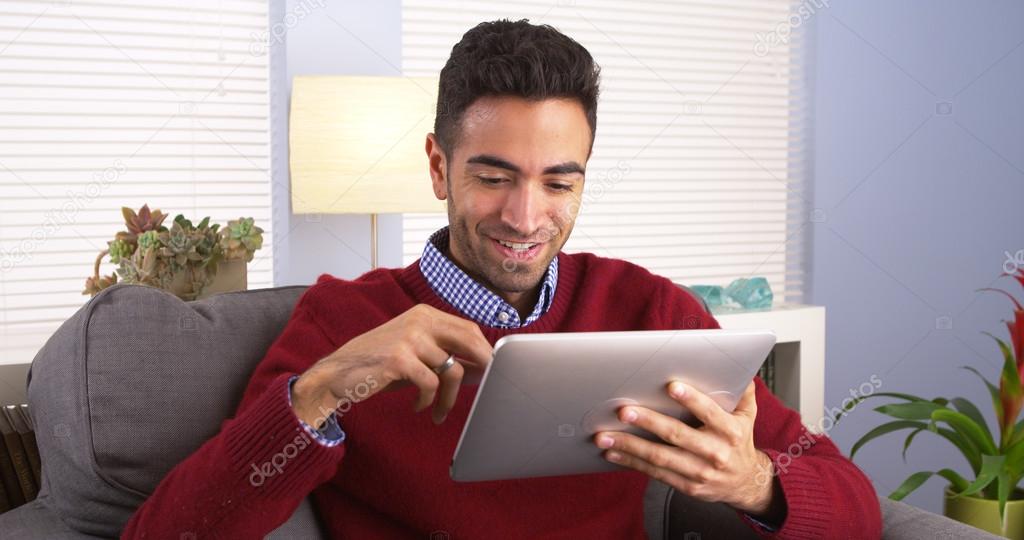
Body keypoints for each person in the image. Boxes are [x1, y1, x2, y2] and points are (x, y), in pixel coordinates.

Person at [123, 19, 881, 539]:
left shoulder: (651, 308)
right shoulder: (342, 320)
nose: (525, 216)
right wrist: (320, 392)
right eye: (493, 176)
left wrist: (755, 482)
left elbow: (854, 506)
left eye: (559, 183)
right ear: (436, 166)